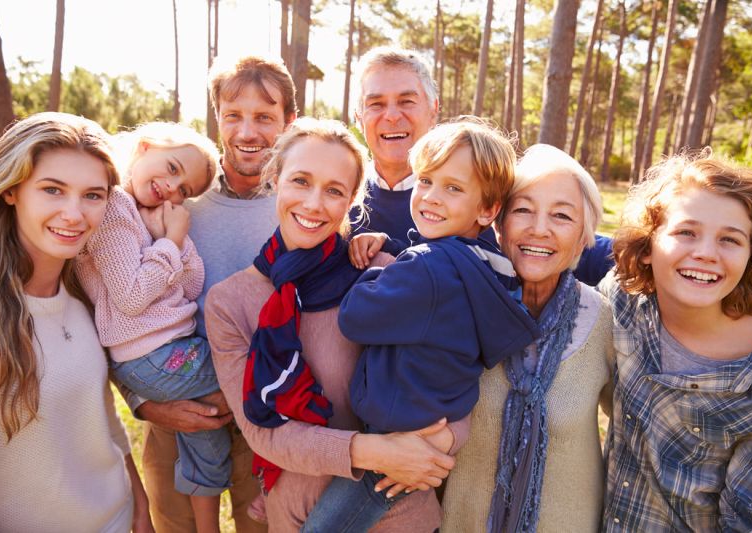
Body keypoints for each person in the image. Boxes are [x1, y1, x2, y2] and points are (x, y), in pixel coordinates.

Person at [205, 117, 465, 533]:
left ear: (352, 200)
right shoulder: (229, 303)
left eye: (333, 191)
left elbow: (454, 384)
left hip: (399, 511)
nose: (313, 204)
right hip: (300, 516)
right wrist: (378, 451)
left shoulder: (389, 275)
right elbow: (266, 435)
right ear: (274, 179)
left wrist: (437, 446)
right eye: (301, 181)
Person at [302, 118, 540, 532]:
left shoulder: (426, 266)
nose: (431, 197)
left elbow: (356, 317)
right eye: (426, 180)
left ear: (488, 209)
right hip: (432, 423)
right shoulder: (493, 270)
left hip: (394, 436)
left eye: (453, 187)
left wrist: (380, 269)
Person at [133, 54, 296, 532]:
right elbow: (120, 302)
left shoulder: (302, 204)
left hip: (265, 414)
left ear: (289, 121)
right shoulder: (177, 198)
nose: (248, 132)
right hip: (175, 408)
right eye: (234, 116)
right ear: (217, 119)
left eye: (265, 117)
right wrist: (146, 404)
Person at [600, 152, 752, 531]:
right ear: (647, 245)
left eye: (730, 240)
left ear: (751, 255)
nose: (705, 253)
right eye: (686, 232)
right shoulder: (625, 303)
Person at [441, 144, 614, 533]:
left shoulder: (604, 320)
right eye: (523, 210)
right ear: (498, 223)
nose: (540, 228)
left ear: (585, 234)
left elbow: (635, 426)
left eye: (562, 216)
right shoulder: (461, 306)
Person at [0, 112, 152, 532]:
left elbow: (102, 420)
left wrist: (140, 509)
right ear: (12, 191)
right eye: (53, 190)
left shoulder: (85, 292)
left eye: (92, 195)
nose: (74, 214)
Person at [348, 46, 613, 285]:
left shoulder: (482, 191)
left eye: (407, 101)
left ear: (433, 109)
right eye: (376, 104)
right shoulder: (338, 202)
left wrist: (642, 247)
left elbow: (581, 243)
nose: (392, 116)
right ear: (359, 118)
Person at [76, 121, 227, 532]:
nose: (172, 189)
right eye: (172, 168)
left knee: (208, 430)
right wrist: (170, 243)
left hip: (164, 351)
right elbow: (131, 295)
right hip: (153, 355)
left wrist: (170, 238)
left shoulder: (151, 218)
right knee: (252, 373)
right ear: (144, 146)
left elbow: (193, 283)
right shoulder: (115, 207)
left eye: (184, 192)